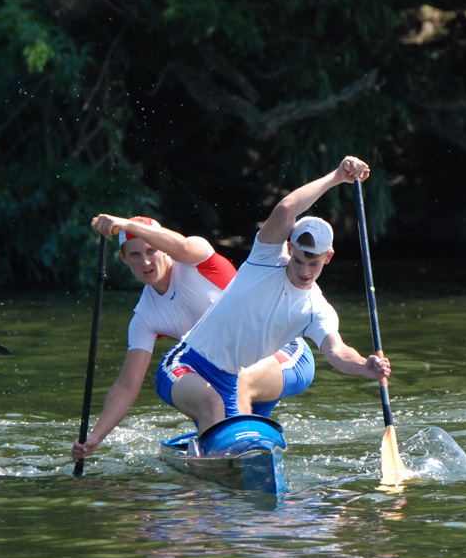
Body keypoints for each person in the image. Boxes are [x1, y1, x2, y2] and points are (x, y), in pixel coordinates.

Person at [155, 156, 391, 433]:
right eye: (299, 259)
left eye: (314, 263)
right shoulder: (266, 260)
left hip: (229, 379)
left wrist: (366, 366)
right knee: (212, 405)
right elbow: (286, 208)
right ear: (290, 250)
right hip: (186, 363)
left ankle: (208, 461)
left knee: (240, 436)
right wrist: (337, 177)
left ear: (328, 258)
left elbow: (337, 351)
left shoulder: (317, 310)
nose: (304, 270)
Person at [71, 214, 315, 462]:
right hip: (223, 372)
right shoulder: (144, 317)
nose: (146, 262)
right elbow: (127, 385)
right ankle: (224, 467)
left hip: (282, 353)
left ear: (163, 248)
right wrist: (95, 438)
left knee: (237, 382)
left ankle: (235, 458)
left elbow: (182, 246)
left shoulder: (197, 259)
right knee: (217, 405)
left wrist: (125, 224)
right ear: (123, 258)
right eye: (135, 255)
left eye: (151, 250)